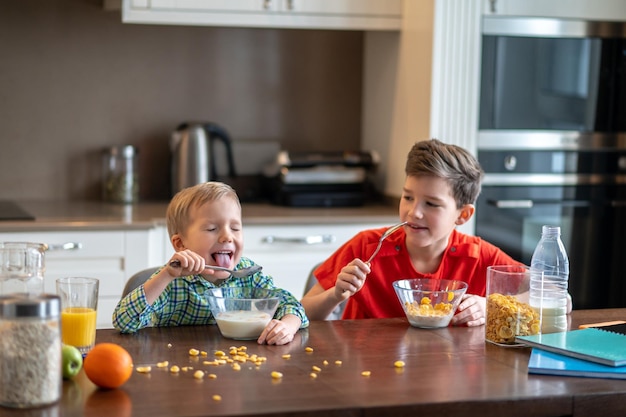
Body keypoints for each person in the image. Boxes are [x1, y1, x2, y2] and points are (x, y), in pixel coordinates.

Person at [301, 139, 523, 326]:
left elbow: (552, 296)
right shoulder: (366, 247)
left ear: (462, 215)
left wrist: (491, 306)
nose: (413, 212)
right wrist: (335, 295)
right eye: (408, 197)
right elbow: (301, 314)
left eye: (431, 204)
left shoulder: (481, 258)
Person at [113, 181, 308, 345]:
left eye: (235, 228)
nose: (227, 237)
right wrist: (166, 275)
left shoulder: (248, 275)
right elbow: (123, 322)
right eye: (212, 228)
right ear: (180, 244)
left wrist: (288, 326)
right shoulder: (172, 282)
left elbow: (292, 305)